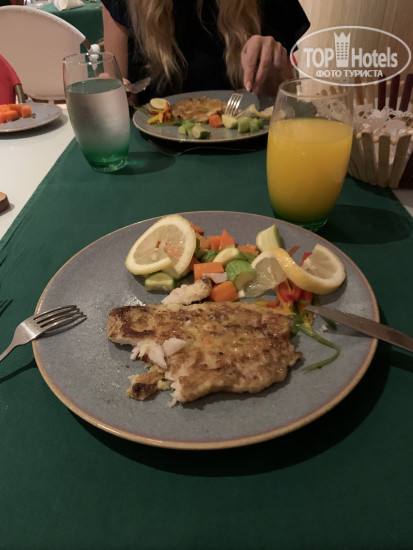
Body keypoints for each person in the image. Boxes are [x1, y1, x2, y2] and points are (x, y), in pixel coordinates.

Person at [101, 0, 309, 103]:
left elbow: (286, 103)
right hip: (156, 160)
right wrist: (115, 95)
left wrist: (271, 71)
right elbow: (121, 96)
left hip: (245, 153)